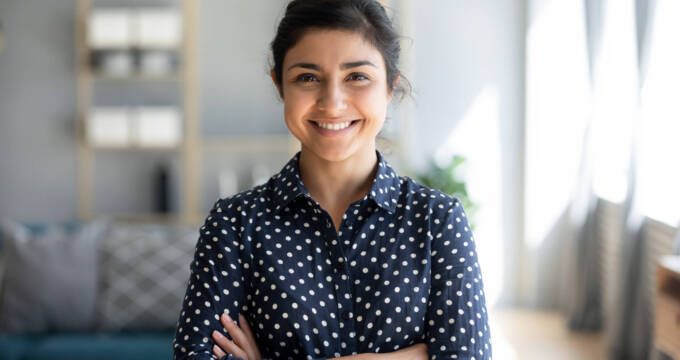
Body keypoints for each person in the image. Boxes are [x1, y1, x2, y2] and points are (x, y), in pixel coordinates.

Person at [172, 0, 492, 359]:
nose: (333, 103)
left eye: (357, 76)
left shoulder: (437, 221)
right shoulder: (234, 224)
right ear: (280, 85)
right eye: (308, 77)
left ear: (390, 86)